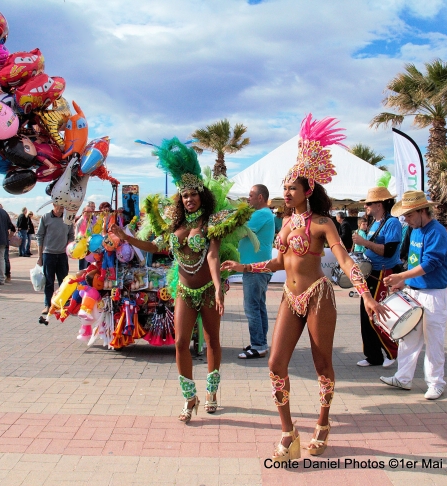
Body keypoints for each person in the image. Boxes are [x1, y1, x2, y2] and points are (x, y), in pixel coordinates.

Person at [222, 115, 387, 461]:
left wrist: (367, 295)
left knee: (322, 364)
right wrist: (241, 267)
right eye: (284, 187)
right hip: (289, 298)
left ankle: (323, 423)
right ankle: (288, 432)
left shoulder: (324, 223)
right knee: (275, 364)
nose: (286, 192)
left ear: (307, 191)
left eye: (292, 188)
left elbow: (343, 260)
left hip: (318, 298)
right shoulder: (284, 223)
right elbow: (278, 264)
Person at [111, 137, 252, 423]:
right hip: (184, 291)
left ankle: (212, 392)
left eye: (193, 194)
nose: (189, 199)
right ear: (180, 198)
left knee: (212, 340)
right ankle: (190, 398)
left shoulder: (212, 222)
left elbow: (212, 256)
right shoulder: (175, 225)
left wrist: (218, 287)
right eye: (184, 195)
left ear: (202, 195)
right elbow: (156, 247)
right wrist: (126, 237)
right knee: (180, 343)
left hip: (208, 291)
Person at [381, 190, 447, 401]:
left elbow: (430, 264)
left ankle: (436, 383)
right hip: (415, 291)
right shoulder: (416, 231)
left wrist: (401, 276)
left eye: (410, 215)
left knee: (434, 341)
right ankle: (403, 377)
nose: (406, 219)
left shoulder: (436, 232)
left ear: (422, 211)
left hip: (433, 294)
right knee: (408, 337)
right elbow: (414, 262)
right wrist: (404, 282)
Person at [351, 187, 402, 368]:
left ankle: (392, 351)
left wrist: (364, 243)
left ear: (379, 204)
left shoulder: (392, 223)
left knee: (376, 314)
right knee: (366, 315)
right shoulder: (375, 222)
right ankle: (373, 355)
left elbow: (389, 251)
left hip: (382, 273)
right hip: (371, 272)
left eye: (369, 203)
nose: (366, 206)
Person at [239, 184, 275, 359]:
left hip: (255, 268)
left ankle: (258, 345)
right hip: (259, 267)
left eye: (251, 195)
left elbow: (242, 231)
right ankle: (260, 342)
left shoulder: (261, 214)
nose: (248, 198)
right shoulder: (265, 214)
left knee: (252, 307)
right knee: (259, 307)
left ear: (260, 197)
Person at [37, 203, 75, 313]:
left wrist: (70, 248)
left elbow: (71, 235)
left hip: (62, 255)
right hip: (48, 254)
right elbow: (40, 236)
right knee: (49, 281)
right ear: (54, 204)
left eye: (63, 206)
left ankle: (64, 304)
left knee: (64, 282)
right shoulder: (46, 217)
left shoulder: (67, 218)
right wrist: (40, 256)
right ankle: (48, 305)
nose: (62, 208)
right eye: (60, 206)